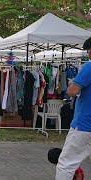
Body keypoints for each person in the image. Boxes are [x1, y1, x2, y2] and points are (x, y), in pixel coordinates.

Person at [56, 37, 91, 180]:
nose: (88, 54)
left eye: (88, 50)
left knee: (66, 164)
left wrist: (72, 84)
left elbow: (72, 91)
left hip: (84, 124)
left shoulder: (89, 67)